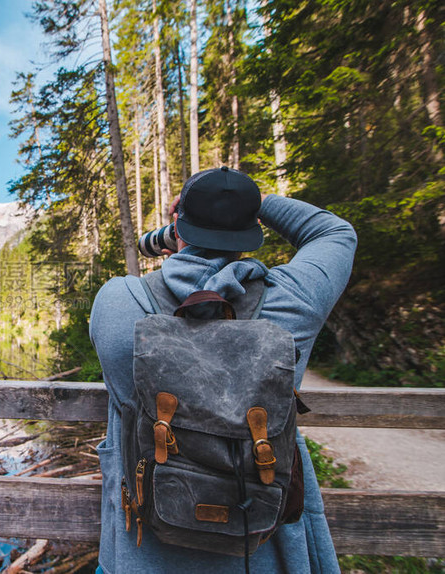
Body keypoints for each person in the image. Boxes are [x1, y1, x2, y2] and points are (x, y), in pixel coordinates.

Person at [90, 166, 357, 574]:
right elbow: (335, 232)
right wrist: (253, 202)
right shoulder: (293, 299)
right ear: (252, 230)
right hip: (261, 541)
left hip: (144, 551)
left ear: (178, 224)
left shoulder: (119, 301)